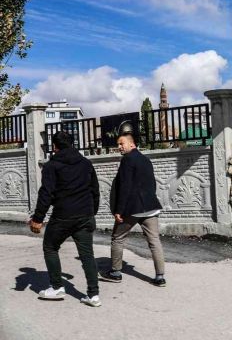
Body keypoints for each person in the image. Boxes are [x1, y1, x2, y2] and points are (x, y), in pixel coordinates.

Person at [28, 131, 102, 307]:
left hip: (63, 216)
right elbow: (95, 190)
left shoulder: (52, 166)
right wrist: (92, 212)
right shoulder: (86, 163)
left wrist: (38, 218)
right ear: (72, 144)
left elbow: (46, 194)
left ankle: (57, 287)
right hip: (85, 215)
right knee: (87, 254)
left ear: (55, 147)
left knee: (50, 246)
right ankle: (93, 295)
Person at [99, 132, 166, 287]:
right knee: (154, 241)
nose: (119, 147)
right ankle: (160, 277)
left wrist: (119, 210)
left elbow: (125, 187)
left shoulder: (127, 160)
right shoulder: (146, 160)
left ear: (131, 143)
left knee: (117, 238)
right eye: (118, 144)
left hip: (132, 208)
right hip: (150, 207)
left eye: (121, 143)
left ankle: (115, 273)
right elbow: (152, 185)